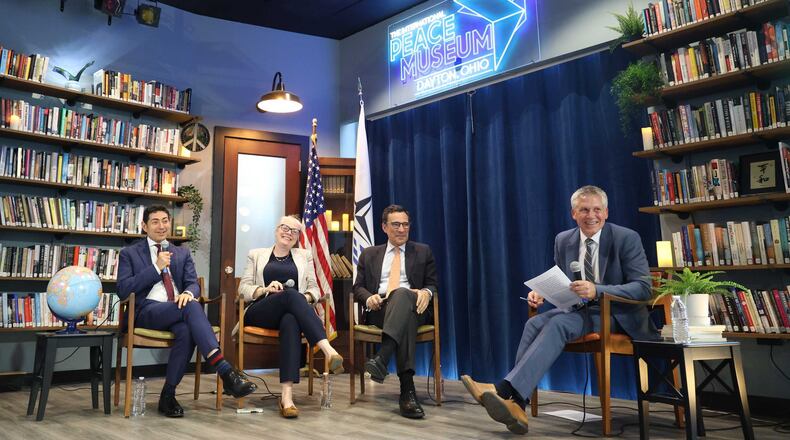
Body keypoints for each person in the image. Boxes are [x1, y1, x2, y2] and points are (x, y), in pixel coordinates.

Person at [461, 185, 658, 434]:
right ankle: (517, 404)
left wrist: (597, 289)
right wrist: (542, 293)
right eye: (584, 210)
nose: (591, 216)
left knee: (558, 324)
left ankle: (503, 391)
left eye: (597, 209)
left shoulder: (625, 238)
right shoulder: (564, 239)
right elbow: (563, 282)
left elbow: (642, 288)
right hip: (579, 311)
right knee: (533, 323)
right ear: (573, 213)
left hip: (617, 314)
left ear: (606, 212)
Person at [117, 205, 256, 418]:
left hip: (176, 310)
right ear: (144, 226)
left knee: (186, 329)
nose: (161, 226)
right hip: (146, 311)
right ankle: (225, 371)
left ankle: (168, 395)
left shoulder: (181, 252)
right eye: (155, 221)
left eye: (165, 220)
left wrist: (188, 293)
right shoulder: (130, 253)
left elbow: (193, 284)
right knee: (191, 307)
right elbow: (124, 290)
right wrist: (156, 268)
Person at [237, 215, 344, 418]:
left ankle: (287, 397)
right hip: (260, 310)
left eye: (294, 231)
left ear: (297, 237)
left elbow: (313, 288)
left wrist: (303, 296)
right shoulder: (256, 254)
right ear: (276, 230)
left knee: (291, 319)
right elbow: (243, 289)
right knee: (290, 296)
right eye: (284, 228)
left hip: (291, 310)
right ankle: (328, 350)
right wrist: (264, 289)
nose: (288, 233)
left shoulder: (304, 256)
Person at [353, 204, 438, 419]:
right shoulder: (370, 254)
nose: (402, 229)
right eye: (396, 224)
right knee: (402, 310)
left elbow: (432, 284)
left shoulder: (423, 251)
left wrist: (427, 292)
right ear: (384, 227)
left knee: (402, 295)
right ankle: (407, 393)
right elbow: (357, 288)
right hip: (380, 310)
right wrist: (368, 297)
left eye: (405, 224)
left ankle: (382, 358)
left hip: (416, 307)